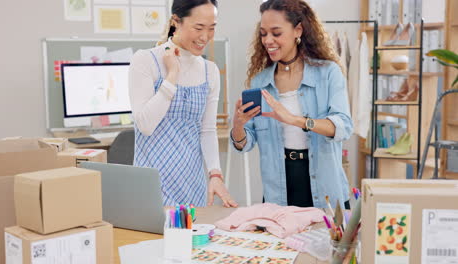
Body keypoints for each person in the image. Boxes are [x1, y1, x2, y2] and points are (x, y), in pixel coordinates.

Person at [231, 0, 353, 209]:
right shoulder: (260, 82)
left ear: (298, 30)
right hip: (278, 190)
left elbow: (343, 126)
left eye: (276, 33)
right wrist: (238, 125)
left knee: (327, 242)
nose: (268, 40)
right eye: (263, 33)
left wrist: (295, 120)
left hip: (325, 188)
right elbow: (246, 143)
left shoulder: (328, 72)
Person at [129, 0, 237, 208]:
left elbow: (207, 130)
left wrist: (215, 174)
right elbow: (145, 124)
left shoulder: (210, 71)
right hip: (153, 188)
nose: (205, 37)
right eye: (198, 28)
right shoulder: (145, 61)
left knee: (194, 240)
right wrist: (172, 77)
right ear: (175, 22)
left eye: (211, 28)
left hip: (192, 185)